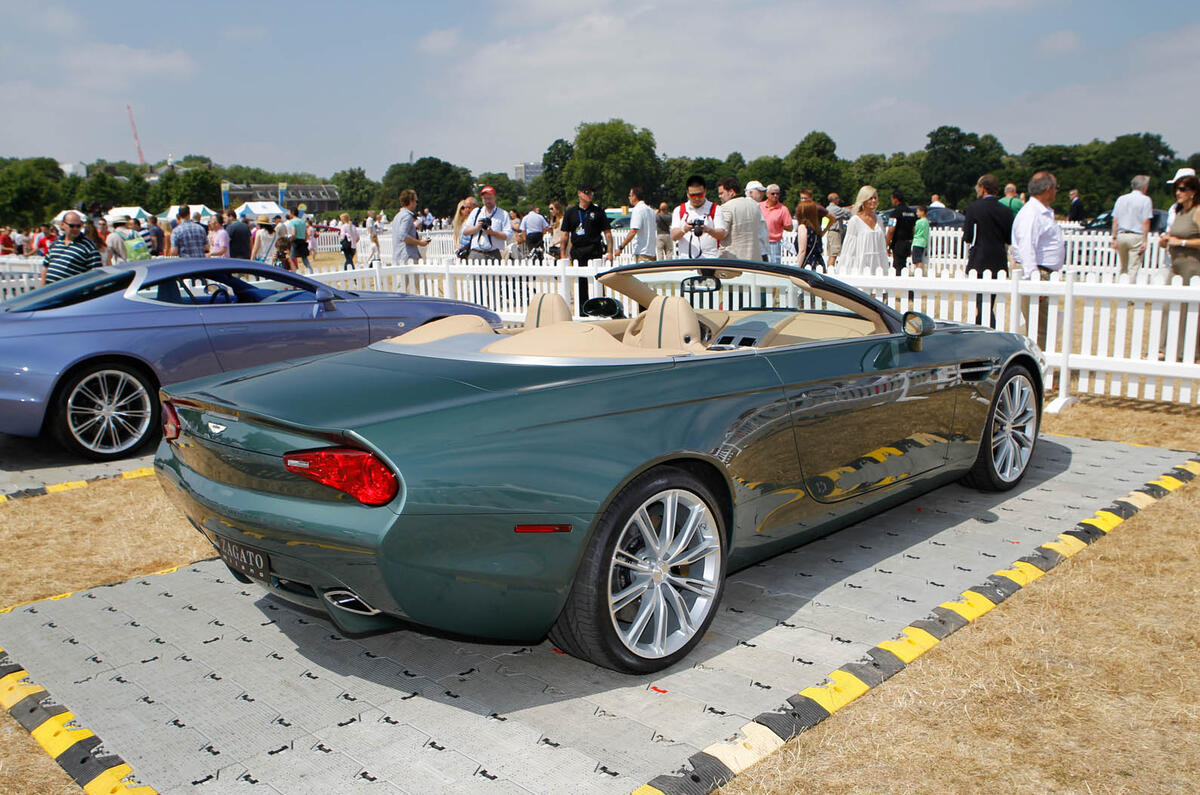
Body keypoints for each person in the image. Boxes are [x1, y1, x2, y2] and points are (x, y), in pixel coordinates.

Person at [1011, 171, 1064, 349]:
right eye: (1056, 188)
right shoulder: (1031, 213)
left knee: (1044, 326)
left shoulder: (1041, 212)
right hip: (1037, 272)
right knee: (1040, 329)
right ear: (1048, 189)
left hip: (1042, 271)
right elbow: (1027, 246)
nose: (1057, 192)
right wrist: (1035, 279)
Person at [962, 174, 1014, 327]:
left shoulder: (973, 207)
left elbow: (968, 237)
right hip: (998, 259)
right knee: (989, 302)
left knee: (981, 301)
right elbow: (1009, 239)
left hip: (979, 258)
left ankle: (988, 327)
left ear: (983, 188)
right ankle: (985, 326)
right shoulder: (1006, 210)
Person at [1158, 174, 1200, 357]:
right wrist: (1165, 241)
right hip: (1175, 265)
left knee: (1189, 311)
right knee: (1169, 306)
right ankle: (1165, 348)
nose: (1178, 193)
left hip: (1192, 265)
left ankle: (1189, 351)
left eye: (1182, 189)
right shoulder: (1179, 212)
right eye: (1176, 189)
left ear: (1193, 192)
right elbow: (1173, 236)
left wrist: (1181, 242)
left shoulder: (1197, 211)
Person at [559, 184, 612, 306]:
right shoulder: (571, 212)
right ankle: (582, 308)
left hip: (594, 249)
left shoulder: (598, 211)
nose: (589, 195)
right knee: (580, 282)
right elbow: (565, 235)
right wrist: (562, 254)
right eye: (586, 192)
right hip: (578, 250)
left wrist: (610, 252)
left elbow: (607, 233)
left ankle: (599, 306)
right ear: (579, 193)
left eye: (591, 193)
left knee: (598, 281)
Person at [670, 176, 727, 261]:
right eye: (692, 195)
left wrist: (708, 229)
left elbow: (722, 235)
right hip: (685, 261)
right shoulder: (679, 210)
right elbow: (674, 236)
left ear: (705, 192)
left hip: (709, 261)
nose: (696, 198)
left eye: (700, 195)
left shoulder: (715, 209)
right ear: (687, 193)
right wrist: (684, 230)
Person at [1111, 175, 1153, 279]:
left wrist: (1114, 237)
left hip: (1121, 235)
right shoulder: (1146, 200)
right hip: (1136, 236)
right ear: (1144, 187)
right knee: (1133, 268)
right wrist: (1145, 240)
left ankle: (1120, 287)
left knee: (1123, 267)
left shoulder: (1121, 199)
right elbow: (1146, 221)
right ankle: (1129, 291)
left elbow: (1115, 220)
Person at [40, 211, 101, 285]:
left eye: (78, 226)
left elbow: (96, 274)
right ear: (62, 225)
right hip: (50, 290)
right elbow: (46, 267)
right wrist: (42, 288)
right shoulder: (56, 242)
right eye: (72, 226)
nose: (75, 229)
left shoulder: (89, 246)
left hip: (71, 293)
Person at [839, 185, 888, 270]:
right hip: (860, 265)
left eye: (875, 198)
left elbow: (882, 245)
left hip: (877, 266)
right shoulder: (855, 221)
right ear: (863, 200)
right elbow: (849, 247)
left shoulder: (879, 219)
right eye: (870, 198)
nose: (874, 200)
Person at [715, 177, 763, 262]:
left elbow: (722, 234)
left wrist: (708, 230)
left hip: (733, 261)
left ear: (731, 192)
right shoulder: (755, 205)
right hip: (755, 259)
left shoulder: (726, 207)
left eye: (721, 193)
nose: (719, 196)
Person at [463, 186, 511, 260]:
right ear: (482, 199)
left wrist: (493, 233)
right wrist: (477, 227)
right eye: (485, 198)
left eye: (489, 198)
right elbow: (465, 231)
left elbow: (508, 235)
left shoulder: (503, 214)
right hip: (476, 252)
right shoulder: (476, 212)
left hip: (493, 253)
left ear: (495, 197)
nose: (487, 200)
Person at [613, 186, 657, 262]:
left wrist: (621, 247)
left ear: (634, 196)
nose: (629, 197)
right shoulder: (651, 210)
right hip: (652, 253)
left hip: (641, 253)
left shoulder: (638, 209)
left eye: (630, 195)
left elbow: (633, 231)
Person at [391, 189, 429, 264]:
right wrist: (420, 242)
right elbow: (403, 236)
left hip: (398, 257)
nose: (416, 204)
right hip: (408, 257)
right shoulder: (407, 216)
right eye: (416, 201)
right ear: (411, 201)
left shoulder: (397, 216)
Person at [758, 183, 792, 263]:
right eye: (773, 193)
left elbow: (790, 227)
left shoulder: (783, 209)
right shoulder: (759, 206)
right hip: (760, 241)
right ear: (767, 194)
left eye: (777, 194)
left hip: (774, 243)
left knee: (774, 267)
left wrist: (780, 224)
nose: (775, 196)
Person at [885, 190, 918, 273]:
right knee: (904, 264)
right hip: (908, 242)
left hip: (898, 243)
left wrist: (887, 244)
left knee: (897, 265)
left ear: (895, 199)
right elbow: (914, 229)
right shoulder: (912, 212)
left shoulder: (895, 213)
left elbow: (891, 230)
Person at [793, 199, 826, 268]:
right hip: (819, 262)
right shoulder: (816, 228)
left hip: (808, 264)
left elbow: (802, 251)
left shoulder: (803, 227)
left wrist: (797, 268)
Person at [825, 193, 850, 269]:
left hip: (831, 232)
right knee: (834, 254)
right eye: (837, 198)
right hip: (835, 233)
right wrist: (852, 207)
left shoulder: (830, 208)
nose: (838, 200)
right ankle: (830, 271)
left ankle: (829, 269)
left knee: (831, 254)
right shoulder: (834, 208)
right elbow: (846, 212)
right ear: (834, 199)